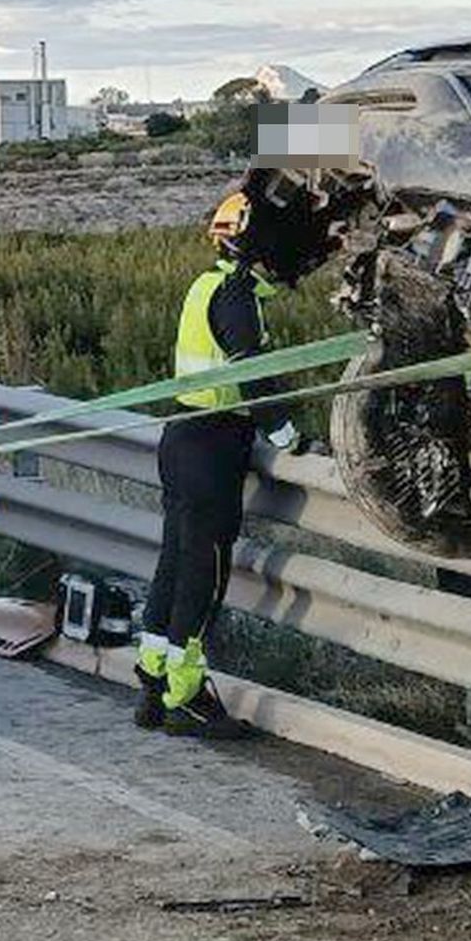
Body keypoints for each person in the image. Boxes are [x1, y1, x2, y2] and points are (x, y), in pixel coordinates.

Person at [135, 173, 323, 738]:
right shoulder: (237, 297)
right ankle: (186, 698)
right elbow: (254, 377)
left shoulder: (203, 286)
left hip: (182, 437)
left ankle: (153, 681)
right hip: (214, 446)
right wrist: (291, 439)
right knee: (203, 571)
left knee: (174, 562)